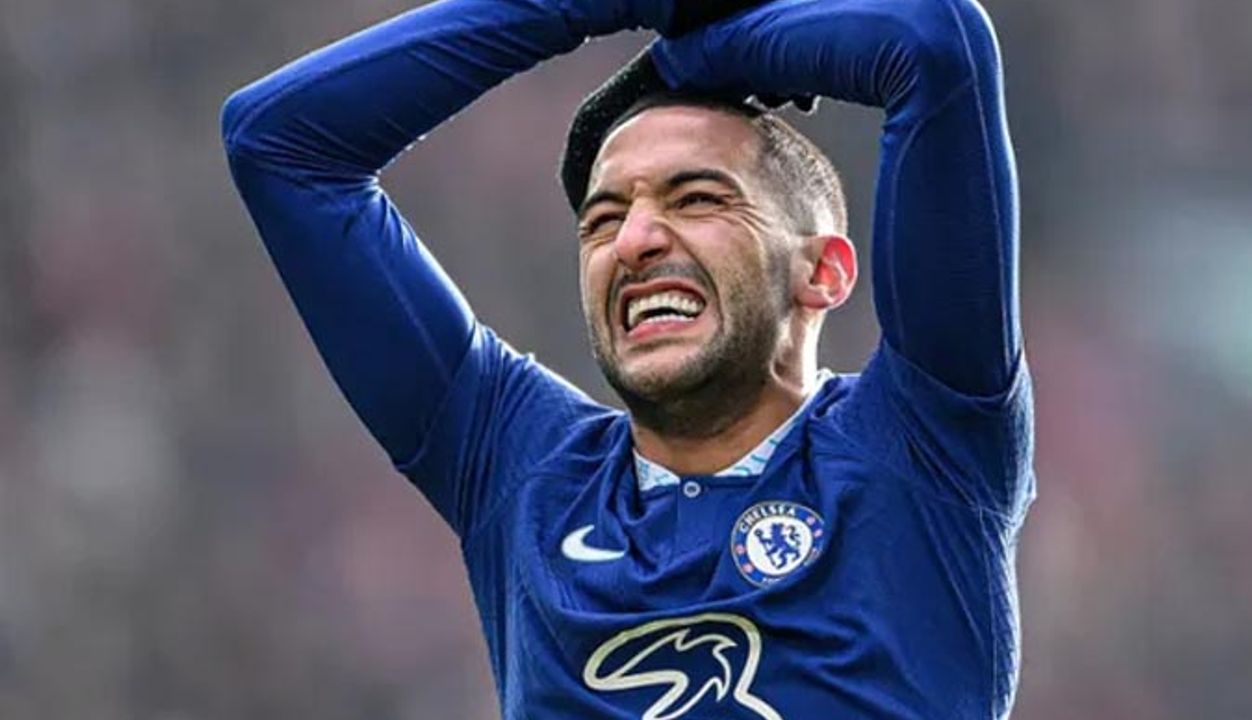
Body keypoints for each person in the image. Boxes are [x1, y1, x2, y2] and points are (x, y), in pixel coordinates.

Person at [221, 0, 1035, 716]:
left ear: (822, 272)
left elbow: (935, 43)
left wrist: (691, 56)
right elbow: (278, 145)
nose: (636, 240)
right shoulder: (524, 473)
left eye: (698, 198)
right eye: (602, 219)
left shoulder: (923, 448)